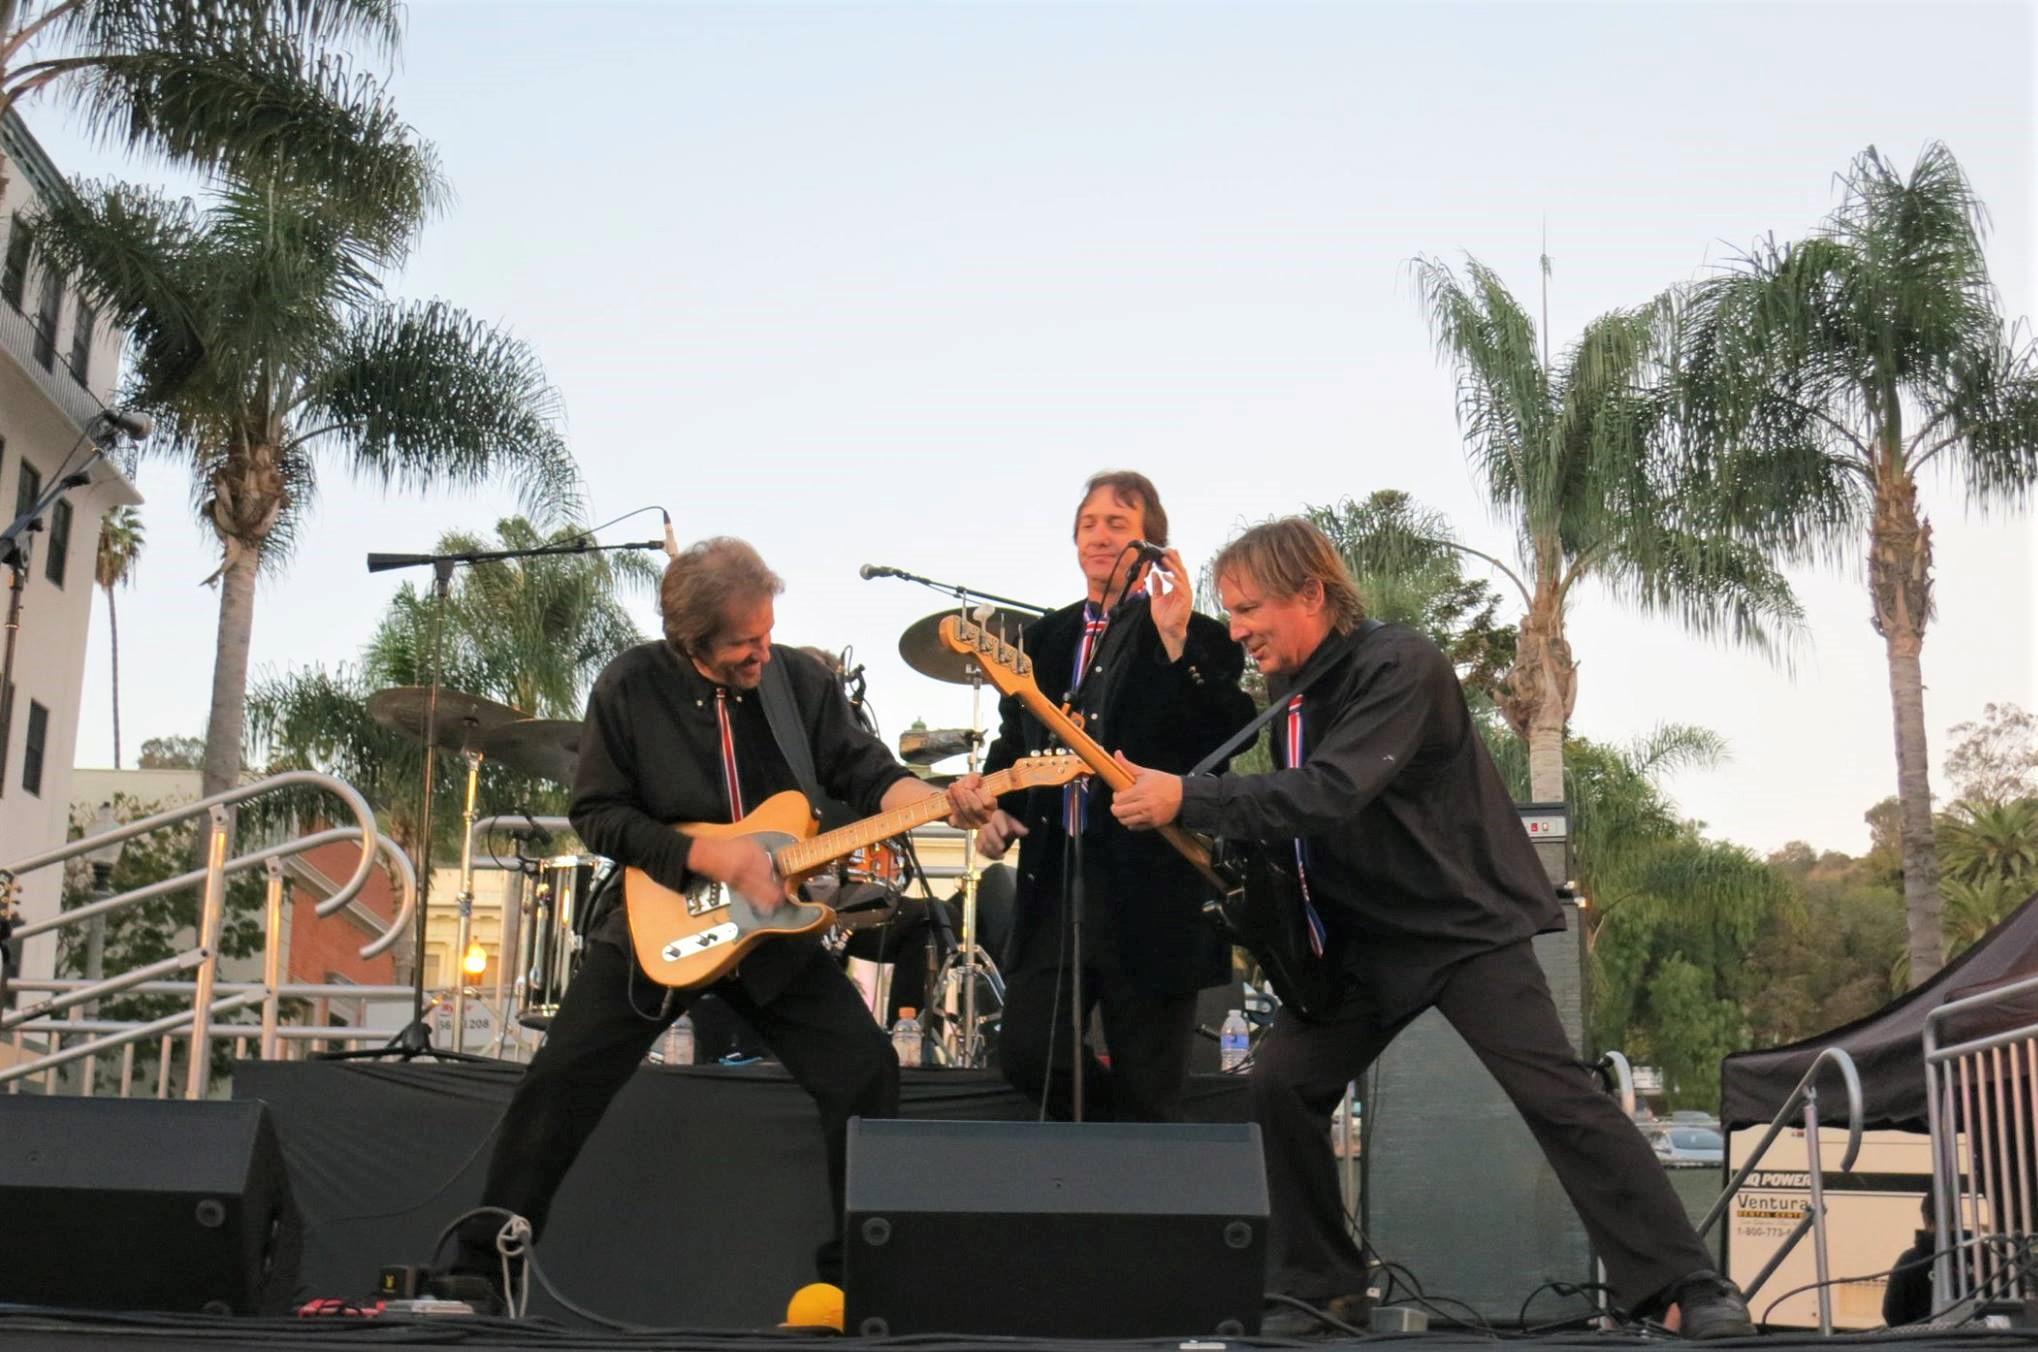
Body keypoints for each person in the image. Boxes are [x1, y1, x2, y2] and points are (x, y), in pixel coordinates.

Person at [1108, 517, 1755, 1339]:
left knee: (1559, 1099)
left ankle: (1690, 1285)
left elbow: (1330, 791)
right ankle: (1320, 1289)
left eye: (1247, 609)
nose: (1235, 630)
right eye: (1229, 612)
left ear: (1310, 593)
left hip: (1461, 930)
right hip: (1365, 946)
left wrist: (1189, 797)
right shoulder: (1294, 687)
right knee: (1280, 1084)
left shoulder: (1400, 663)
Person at [441, 538, 994, 1301]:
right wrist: (710, 856)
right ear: (690, 640)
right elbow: (598, 815)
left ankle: (857, 1283)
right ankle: (479, 1270)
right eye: (743, 642)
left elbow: (866, 772)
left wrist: (940, 803)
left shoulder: (797, 681)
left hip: (768, 928)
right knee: (560, 1080)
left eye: (767, 632)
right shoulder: (631, 685)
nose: (762, 651)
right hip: (660, 917)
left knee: (865, 1070)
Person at [976, 470, 1254, 1121]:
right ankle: (1113, 1139)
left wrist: (1176, 641)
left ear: (1152, 547)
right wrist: (997, 808)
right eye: (1089, 524)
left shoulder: (1197, 636)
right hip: (1054, 881)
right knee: (1028, 1054)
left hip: (1151, 888)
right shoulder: (1044, 638)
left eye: (1118, 526)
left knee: (1151, 1085)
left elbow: (1223, 738)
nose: (1100, 537)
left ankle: (1138, 1150)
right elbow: (1015, 741)